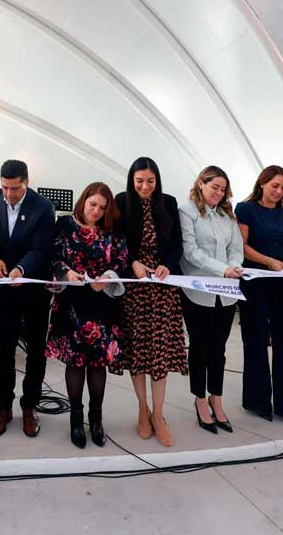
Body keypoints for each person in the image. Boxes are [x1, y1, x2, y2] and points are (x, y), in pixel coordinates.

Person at [112, 157, 187, 447]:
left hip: (163, 289)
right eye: (140, 181)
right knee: (138, 353)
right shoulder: (122, 201)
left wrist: (168, 264)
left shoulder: (168, 202)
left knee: (159, 354)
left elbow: (178, 243)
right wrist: (132, 263)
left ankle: (159, 414)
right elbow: (116, 240)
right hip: (135, 290)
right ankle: (142, 409)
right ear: (132, 180)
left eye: (150, 181)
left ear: (158, 180)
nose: (145, 186)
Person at [47, 182, 128, 448]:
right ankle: (75, 419)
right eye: (93, 204)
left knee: (97, 364)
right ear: (83, 200)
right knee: (75, 362)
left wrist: (107, 276)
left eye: (102, 208)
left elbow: (121, 260)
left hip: (101, 306)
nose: (96, 211)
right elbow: (53, 256)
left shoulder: (111, 230)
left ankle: (96, 418)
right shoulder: (64, 225)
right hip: (71, 305)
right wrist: (66, 272)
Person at [0, 159, 56, 438]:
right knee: (5, 350)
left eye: (14, 188)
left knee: (36, 351)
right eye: (4, 188)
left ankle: (30, 406)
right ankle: (3, 407)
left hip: (34, 289)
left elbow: (41, 248)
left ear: (27, 181)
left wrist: (21, 268)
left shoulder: (44, 206)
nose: (9, 194)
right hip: (4, 289)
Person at [235, 165, 283, 431]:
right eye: (274, 186)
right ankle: (258, 402)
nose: (278, 191)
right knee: (255, 340)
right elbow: (242, 246)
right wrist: (269, 262)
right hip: (255, 283)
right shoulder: (245, 210)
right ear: (262, 183)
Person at [179, 166, 245, 434]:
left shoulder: (227, 215)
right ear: (201, 184)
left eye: (222, 188)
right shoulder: (187, 212)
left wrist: (234, 266)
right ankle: (200, 399)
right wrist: (223, 269)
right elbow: (191, 252)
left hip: (226, 293)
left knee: (219, 348)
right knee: (199, 347)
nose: (218, 192)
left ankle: (217, 398)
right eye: (214, 186)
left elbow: (236, 248)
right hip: (198, 291)